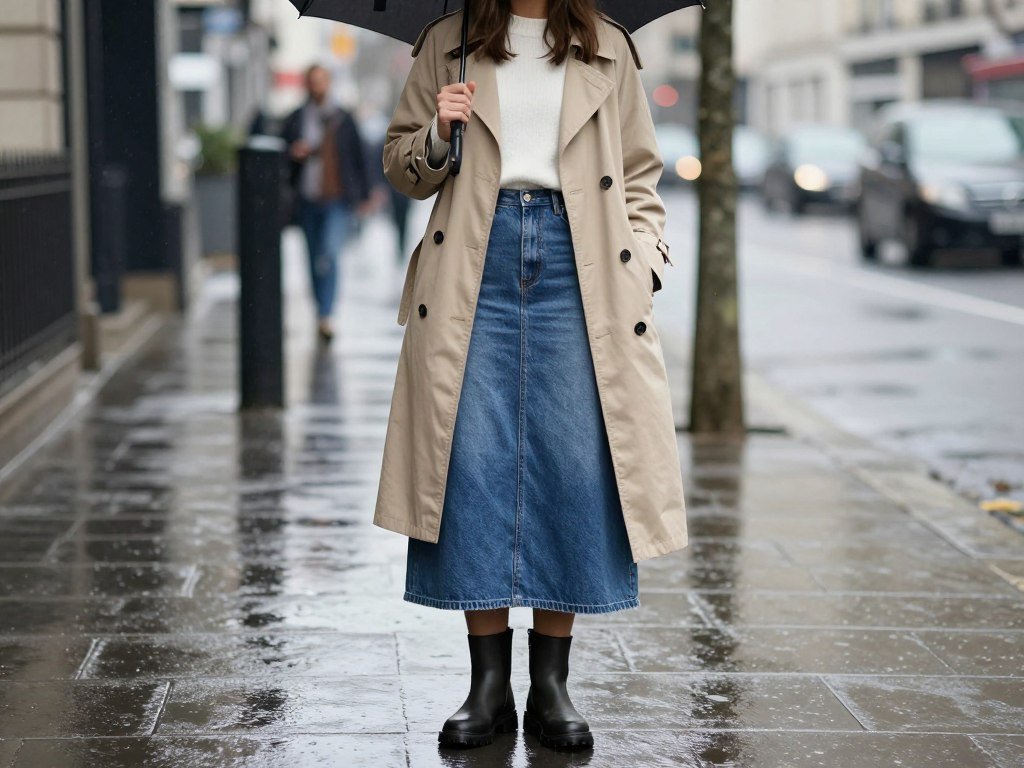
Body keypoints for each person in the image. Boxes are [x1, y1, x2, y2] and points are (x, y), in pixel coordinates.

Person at [375, 0, 688, 752]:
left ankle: (551, 685)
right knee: (470, 463)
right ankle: (487, 686)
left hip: (581, 263)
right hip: (472, 262)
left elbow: (641, 174)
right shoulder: (446, 44)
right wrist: (440, 137)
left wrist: (644, 263)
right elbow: (398, 164)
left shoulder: (607, 46)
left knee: (573, 464)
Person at [281, 65, 371, 342]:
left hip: (337, 199)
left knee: (329, 254)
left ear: (329, 83)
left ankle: (328, 314)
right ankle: (320, 310)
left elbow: (359, 157)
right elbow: (281, 154)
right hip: (307, 198)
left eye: (321, 81)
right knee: (311, 256)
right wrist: (293, 153)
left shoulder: (343, 118)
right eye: (312, 82)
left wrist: (366, 195)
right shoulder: (296, 118)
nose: (316, 86)